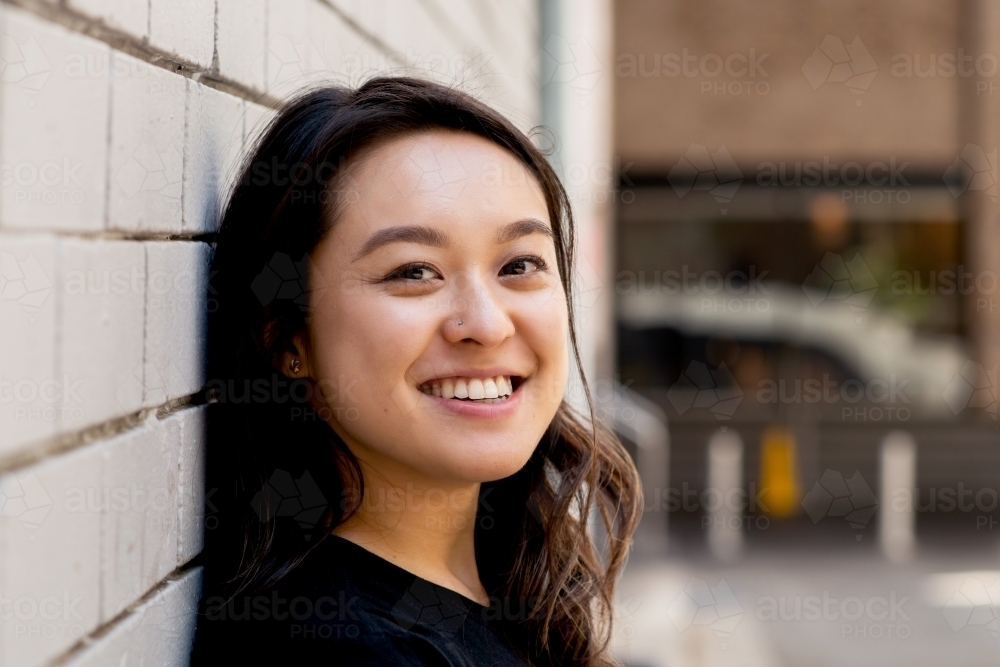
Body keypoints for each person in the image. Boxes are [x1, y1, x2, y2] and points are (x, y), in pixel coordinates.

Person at [190, 76, 640, 667]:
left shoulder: (506, 591)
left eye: (520, 264)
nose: (486, 323)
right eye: (413, 272)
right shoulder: (344, 648)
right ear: (288, 340)